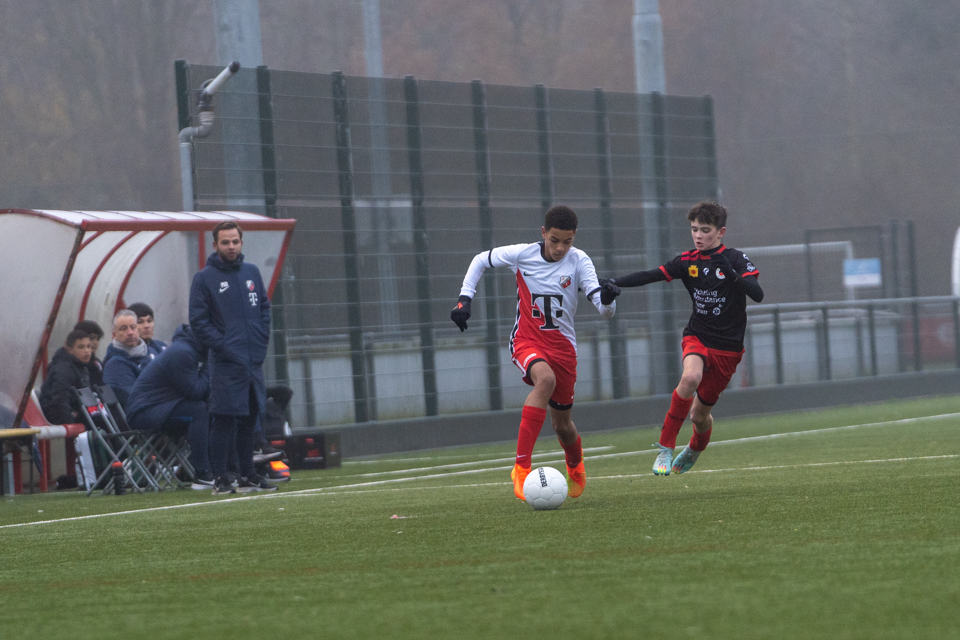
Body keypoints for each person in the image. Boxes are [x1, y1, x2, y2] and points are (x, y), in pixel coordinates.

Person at [450, 205, 620, 501]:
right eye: (554, 240)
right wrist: (465, 299)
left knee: (562, 425)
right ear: (543, 233)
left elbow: (604, 311)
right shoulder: (522, 254)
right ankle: (521, 467)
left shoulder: (580, 261)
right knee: (545, 380)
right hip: (527, 340)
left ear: (574, 237)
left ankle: (575, 465)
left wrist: (607, 298)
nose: (560, 248)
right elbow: (480, 260)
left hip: (564, 350)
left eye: (567, 242)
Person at [602, 201, 763, 475]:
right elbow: (651, 275)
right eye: (694, 229)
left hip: (728, 349)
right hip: (697, 336)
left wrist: (732, 274)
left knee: (699, 416)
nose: (698, 235)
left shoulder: (736, 259)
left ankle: (695, 448)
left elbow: (757, 294)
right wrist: (616, 282)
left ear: (720, 231)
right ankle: (665, 448)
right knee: (689, 378)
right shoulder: (688, 261)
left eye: (705, 230)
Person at [189, 221, 276, 495]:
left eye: (235, 242)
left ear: (241, 243)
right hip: (226, 362)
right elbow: (199, 322)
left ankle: (248, 475)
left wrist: (261, 342)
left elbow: (264, 308)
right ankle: (222, 479)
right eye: (225, 242)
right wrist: (225, 347)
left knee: (250, 418)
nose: (231, 247)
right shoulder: (204, 278)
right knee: (224, 419)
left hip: (252, 361)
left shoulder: (251, 272)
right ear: (214, 245)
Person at [126, 324, 214, 489]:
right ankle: (202, 473)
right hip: (143, 413)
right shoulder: (183, 352)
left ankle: (216, 468)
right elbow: (196, 391)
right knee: (198, 411)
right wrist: (211, 363)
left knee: (206, 408)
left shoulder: (186, 349)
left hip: (157, 407)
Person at [39, 329, 93, 424]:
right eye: (81, 347)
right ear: (70, 350)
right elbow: (60, 401)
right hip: (59, 417)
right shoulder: (63, 369)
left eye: (89, 347)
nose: (87, 351)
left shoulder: (82, 367)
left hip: (75, 414)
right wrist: (71, 421)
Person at [103, 309, 152, 407]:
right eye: (123, 328)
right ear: (114, 335)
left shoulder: (150, 353)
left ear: (138, 331)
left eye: (133, 327)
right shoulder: (115, 365)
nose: (130, 332)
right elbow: (133, 398)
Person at [74, 319, 105, 387]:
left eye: (98, 339)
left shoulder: (97, 363)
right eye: (91, 338)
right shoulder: (71, 364)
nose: (95, 342)